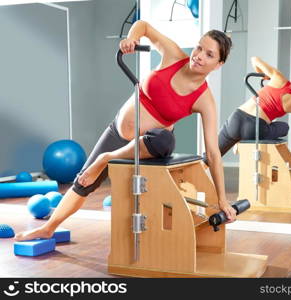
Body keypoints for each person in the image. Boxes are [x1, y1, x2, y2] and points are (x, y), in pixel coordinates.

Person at [16, 20, 236, 241]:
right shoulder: (174, 56)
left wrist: (222, 200)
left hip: (145, 147)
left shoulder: (204, 100)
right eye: (199, 48)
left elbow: (214, 153)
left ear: (218, 64)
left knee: (165, 140)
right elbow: (144, 26)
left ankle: (107, 158)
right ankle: (48, 228)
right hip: (117, 133)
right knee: (83, 182)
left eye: (209, 55)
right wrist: (133, 38)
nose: (198, 56)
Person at [216, 57, 291, 174]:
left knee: (210, 156)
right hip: (255, 129)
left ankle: (238, 140)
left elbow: (254, 59)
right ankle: (241, 140)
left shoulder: (278, 77)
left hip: (236, 118)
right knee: (285, 127)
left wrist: (264, 75)